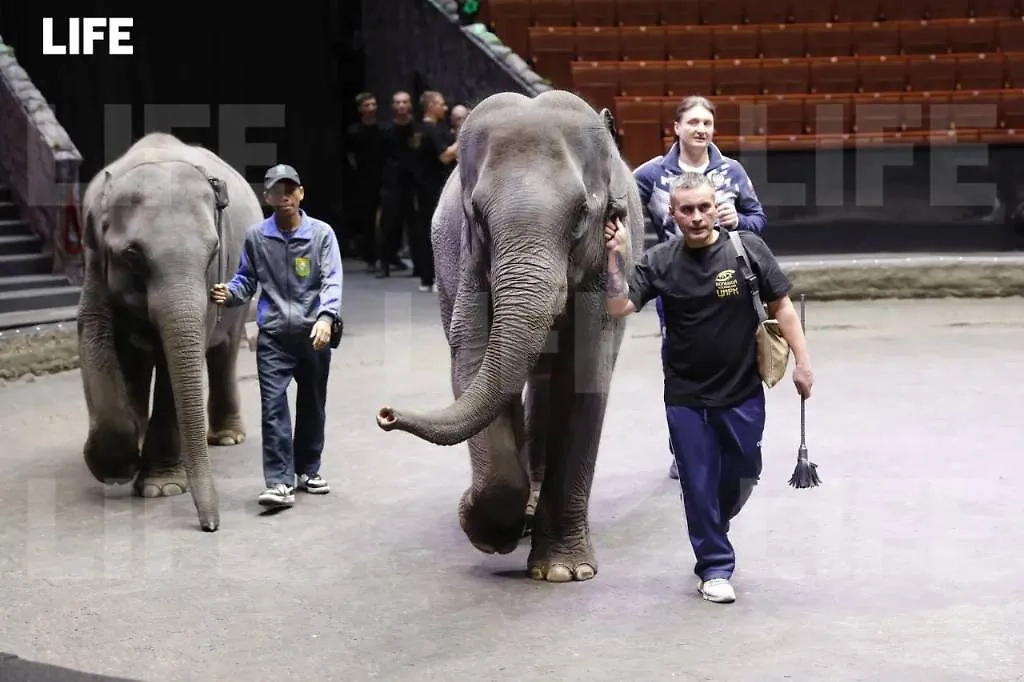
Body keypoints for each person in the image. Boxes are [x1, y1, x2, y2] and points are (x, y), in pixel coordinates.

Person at [603, 171, 813, 604]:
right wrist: (615, 258)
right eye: (687, 210)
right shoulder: (660, 261)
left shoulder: (747, 249)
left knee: (742, 473)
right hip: (686, 396)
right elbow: (620, 304)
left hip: (742, 391)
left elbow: (783, 307)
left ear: (715, 206)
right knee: (697, 483)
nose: (697, 217)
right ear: (672, 213)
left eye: (704, 207)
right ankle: (715, 565)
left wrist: (804, 363)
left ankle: (715, 520)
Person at [632, 95, 768, 480]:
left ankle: (732, 440)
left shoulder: (732, 171)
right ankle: (684, 447)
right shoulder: (651, 175)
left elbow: (759, 220)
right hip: (676, 286)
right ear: (676, 128)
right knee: (680, 367)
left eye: (707, 123)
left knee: (733, 360)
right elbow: (622, 210)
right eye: (693, 122)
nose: (701, 130)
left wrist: (738, 219)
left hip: (729, 282)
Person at [210, 164, 343, 508]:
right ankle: (279, 481)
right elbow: (247, 278)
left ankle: (308, 469)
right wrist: (231, 293)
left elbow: (331, 280)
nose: (283, 197)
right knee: (272, 409)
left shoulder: (321, 234)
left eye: (290, 190)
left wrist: (326, 318)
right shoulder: (257, 237)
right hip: (273, 337)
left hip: (314, 334)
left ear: (300, 193)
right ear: (266, 197)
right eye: (275, 191)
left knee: (312, 405)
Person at [414, 90, 458, 292]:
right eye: (441, 104)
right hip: (433, 188)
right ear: (431, 105)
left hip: (427, 187)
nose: (445, 108)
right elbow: (445, 157)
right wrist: (465, 138)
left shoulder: (422, 129)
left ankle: (428, 277)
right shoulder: (430, 130)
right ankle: (434, 277)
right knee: (437, 232)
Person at [344, 92, 385, 272]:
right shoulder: (354, 131)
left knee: (386, 219)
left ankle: (388, 255)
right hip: (363, 181)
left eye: (373, 104)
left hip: (383, 177)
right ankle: (370, 257)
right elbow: (349, 155)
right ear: (360, 109)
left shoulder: (382, 130)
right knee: (368, 220)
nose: (370, 108)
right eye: (366, 105)